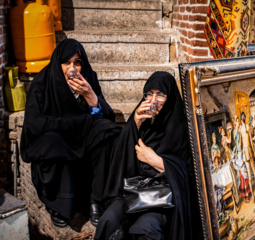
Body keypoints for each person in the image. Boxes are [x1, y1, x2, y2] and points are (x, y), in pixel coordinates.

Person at [20, 39, 121, 228]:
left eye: (77, 62)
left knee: (107, 132)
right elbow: (34, 124)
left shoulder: (88, 79)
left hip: (82, 138)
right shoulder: (42, 82)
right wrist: (76, 123)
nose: (72, 68)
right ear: (58, 64)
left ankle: (96, 201)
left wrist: (90, 96)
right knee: (52, 141)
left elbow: (103, 117)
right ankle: (60, 203)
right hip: (57, 139)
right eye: (67, 63)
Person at [95, 72, 193, 240]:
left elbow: (190, 175)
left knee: (147, 228)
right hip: (135, 193)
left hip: (162, 199)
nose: (153, 100)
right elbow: (121, 160)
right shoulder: (142, 119)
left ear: (169, 98)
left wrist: (158, 162)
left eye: (160, 95)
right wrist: (135, 124)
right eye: (149, 94)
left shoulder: (182, 128)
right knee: (109, 220)